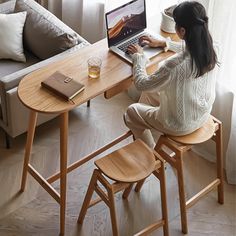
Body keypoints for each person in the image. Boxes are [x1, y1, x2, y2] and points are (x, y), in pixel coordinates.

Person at [124, 1, 218, 148]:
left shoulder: (173, 66)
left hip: (179, 125)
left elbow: (141, 84)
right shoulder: (213, 48)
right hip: (202, 113)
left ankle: (152, 155)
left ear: (182, 31)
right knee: (150, 94)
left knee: (131, 111)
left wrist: (139, 57)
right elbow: (189, 51)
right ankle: (148, 121)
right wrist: (164, 43)